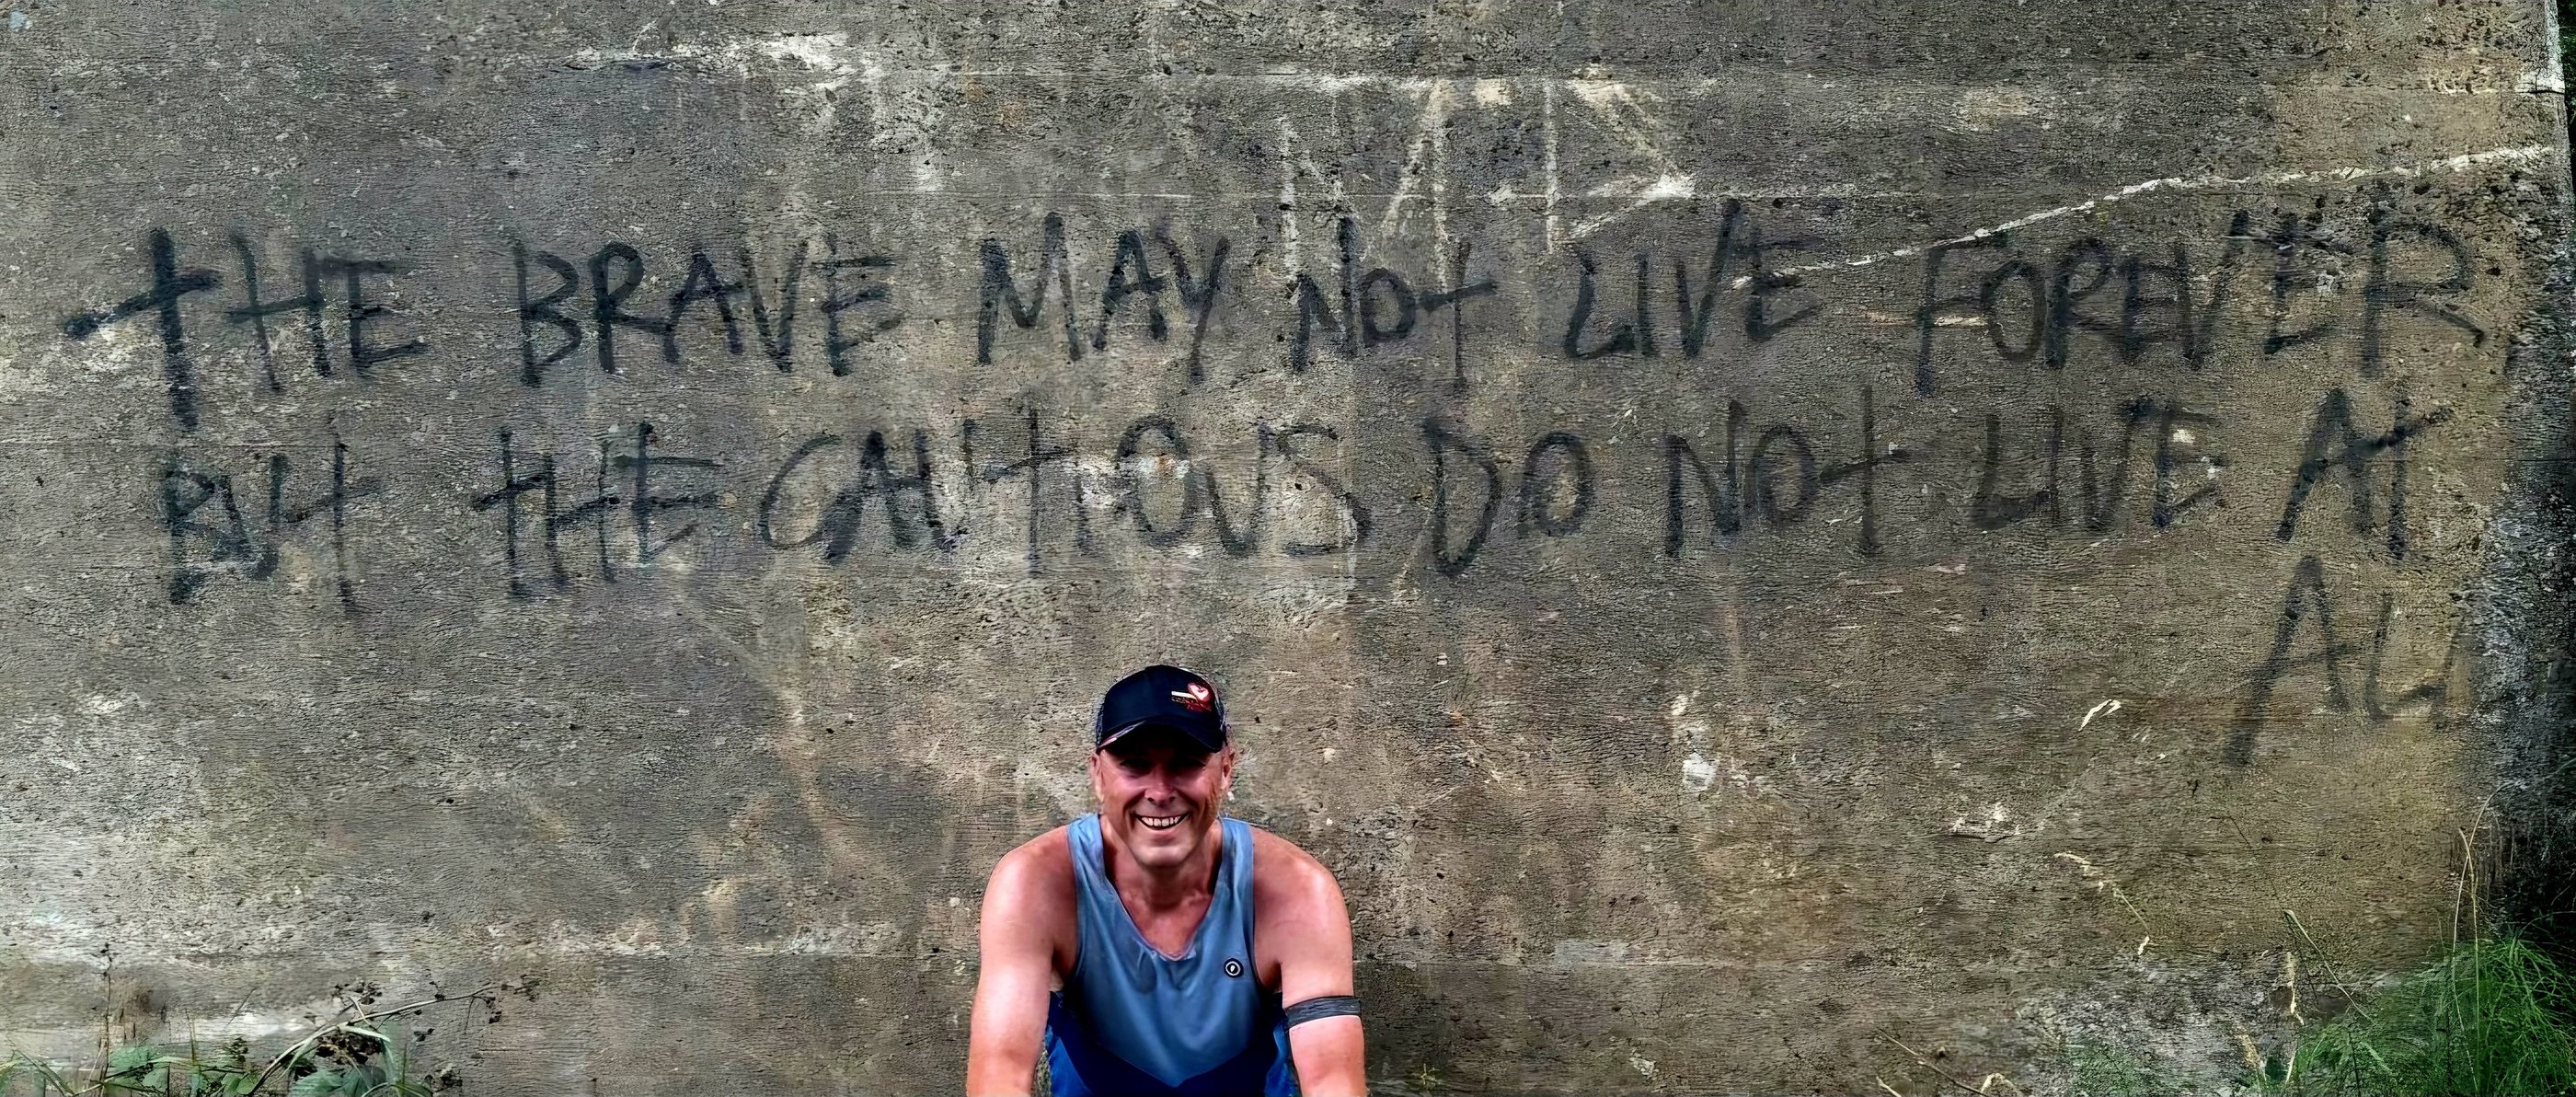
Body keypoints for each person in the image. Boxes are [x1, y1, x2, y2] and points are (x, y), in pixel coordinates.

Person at [966, 665, 1367, 1097]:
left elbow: (1332, 1082)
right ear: (1098, 774)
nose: (1159, 791)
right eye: (1134, 765)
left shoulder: (1297, 892)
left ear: (1226, 770)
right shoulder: (1035, 884)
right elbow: (1000, 1074)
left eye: (1187, 764)